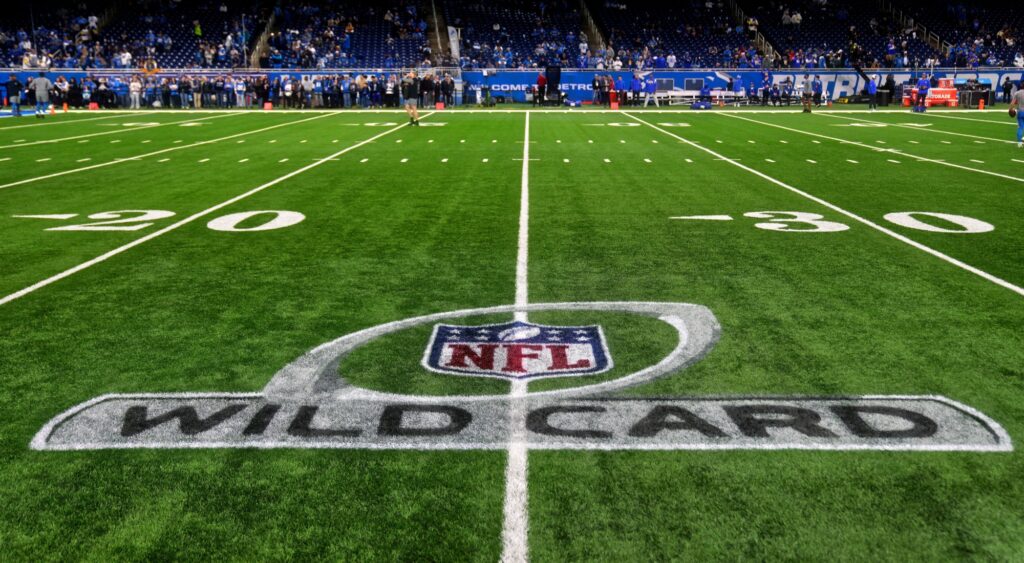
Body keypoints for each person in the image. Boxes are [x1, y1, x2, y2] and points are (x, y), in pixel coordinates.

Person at [1011, 81, 1024, 148]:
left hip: (1020, 111)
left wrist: (1010, 109)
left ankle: (1019, 144)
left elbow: (1012, 103)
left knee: (1020, 127)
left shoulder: (1017, 93)